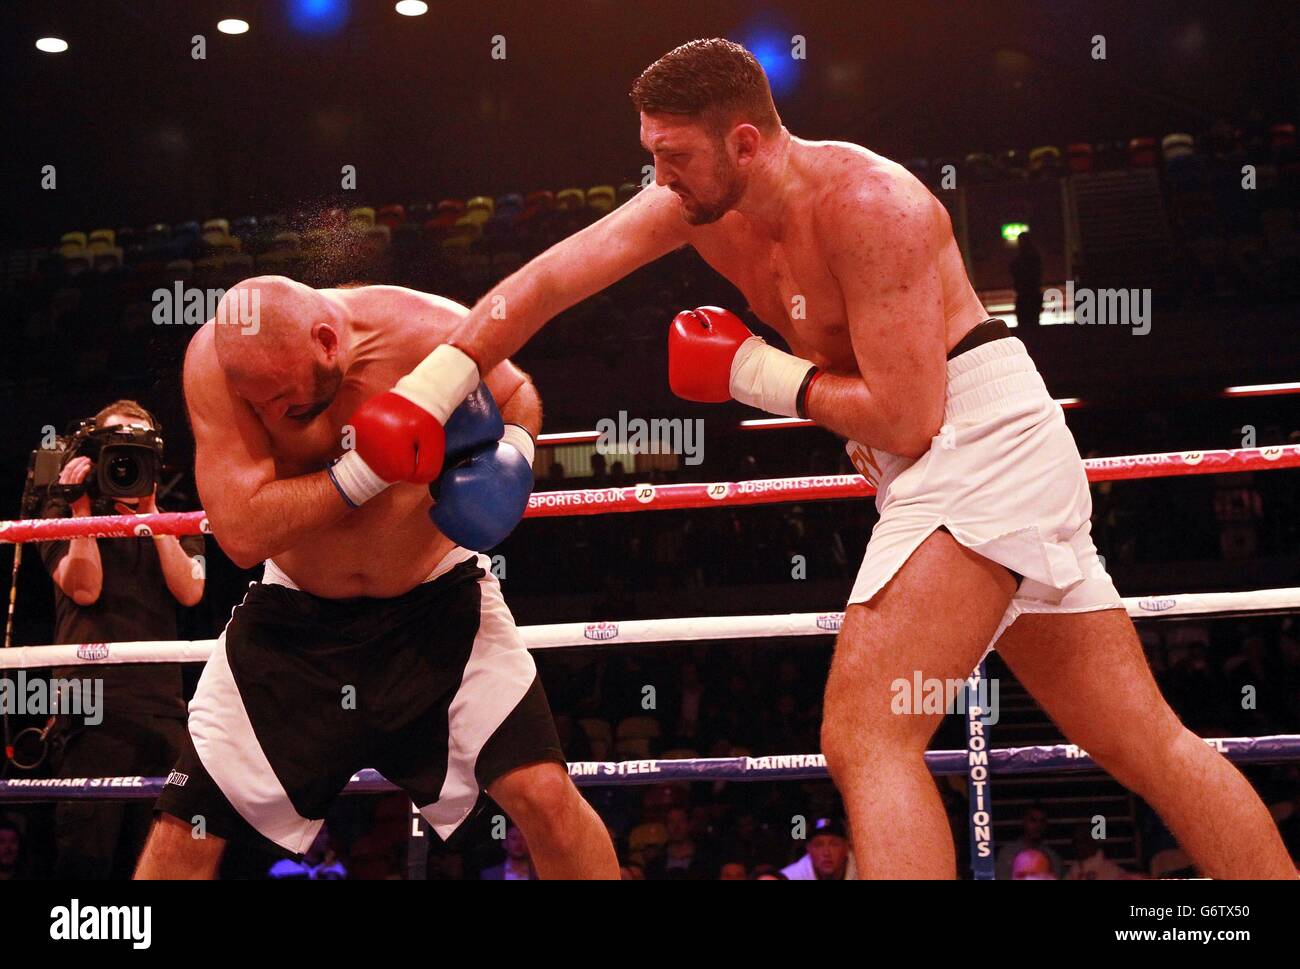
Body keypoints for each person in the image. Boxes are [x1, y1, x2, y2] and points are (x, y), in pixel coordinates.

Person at [369, 38, 1294, 878]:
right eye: (650, 153)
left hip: (975, 442)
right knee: (1144, 743)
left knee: (869, 733)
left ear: (744, 141)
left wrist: (752, 370)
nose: (659, 176)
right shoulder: (691, 203)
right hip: (962, 461)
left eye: (674, 154)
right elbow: (545, 284)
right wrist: (436, 384)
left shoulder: (870, 204)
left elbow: (905, 413)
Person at [134, 277, 618, 879]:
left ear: (327, 342)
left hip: (437, 602)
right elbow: (240, 535)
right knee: (185, 827)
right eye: (256, 404)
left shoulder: (427, 329)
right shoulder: (216, 364)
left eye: (285, 400)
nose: (268, 417)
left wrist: (510, 458)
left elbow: (516, 392)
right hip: (295, 619)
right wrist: (366, 470)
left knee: (546, 798)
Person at [41, 400, 203, 879]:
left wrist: (151, 512)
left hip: (163, 710)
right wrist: (81, 510)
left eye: (137, 447)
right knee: (85, 861)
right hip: (90, 711)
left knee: (159, 859)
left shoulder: (174, 521)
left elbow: (191, 590)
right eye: (117, 446)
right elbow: (85, 589)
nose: (124, 460)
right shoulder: (61, 514)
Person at [994, 804, 1063, 881]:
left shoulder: (1052, 857)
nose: (1038, 826)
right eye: (1033, 820)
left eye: (1042, 821)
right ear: (1024, 822)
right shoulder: (1007, 854)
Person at [780, 817, 857, 880]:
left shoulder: (864, 870)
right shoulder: (789, 877)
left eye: (834, 844)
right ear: (808, 848)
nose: (826, 853)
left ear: (847, 847)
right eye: (818, 845)